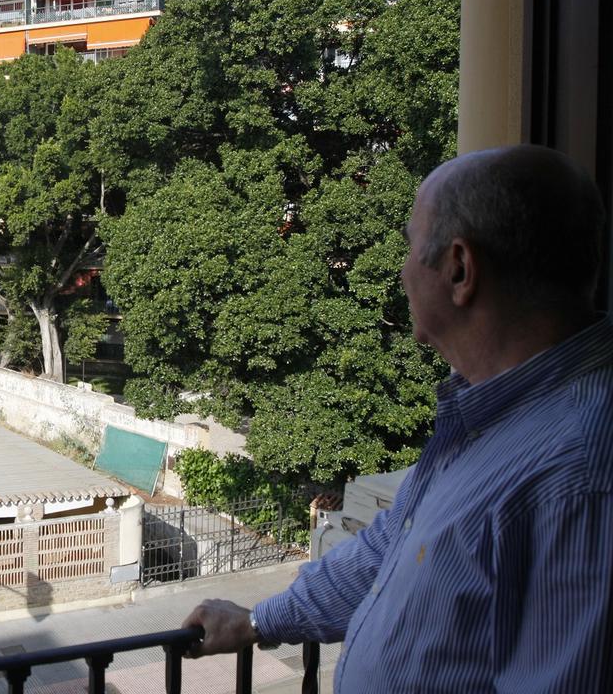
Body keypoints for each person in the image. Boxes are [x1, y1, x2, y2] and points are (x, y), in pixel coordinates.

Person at [182, 145, 613, 691]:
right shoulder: (485, 418)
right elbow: (387, 551)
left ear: (460, 269)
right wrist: (258, 621)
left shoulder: (581, 470)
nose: (403, 270)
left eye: (410, 247)